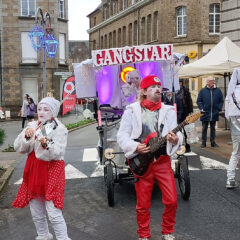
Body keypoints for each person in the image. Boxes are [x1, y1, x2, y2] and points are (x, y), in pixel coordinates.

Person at [117, 75, 183, 240]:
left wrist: (177, 139)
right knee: (143, 204)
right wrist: (134, 147)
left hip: (162, 162)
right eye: (153, 87)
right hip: (142, 161)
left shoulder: (168, 111)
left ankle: (167, 231)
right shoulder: (132, 110)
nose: (158, 89)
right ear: (144, 91)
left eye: (159, 86)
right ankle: (144, 234)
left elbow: (177, 131)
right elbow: (122, 136)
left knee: (172, 201)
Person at [12, 97, 71, 240]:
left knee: (53, 211)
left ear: (53, 111)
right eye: (39, 109)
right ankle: (43, 235)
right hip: (34, 170)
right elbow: (19, 147)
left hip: (52, 171)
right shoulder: (33, 125)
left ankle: (63, 238)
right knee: (36, 209)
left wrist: (47, 144)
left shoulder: (60, 128)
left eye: (46, 109)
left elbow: (58, 152)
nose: (42, 112)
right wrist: (26, 137)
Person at [197, 76, 223, 148]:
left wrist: (219, 108)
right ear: (207, 82)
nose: (212, 82)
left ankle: (213, 142)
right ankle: (203, 143)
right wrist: (202, 108)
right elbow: (199, 101)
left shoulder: (218, 90)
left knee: (213, 128)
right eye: (210, 81)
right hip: (205, 112)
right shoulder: (202, 91)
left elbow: (221, 100)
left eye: (213, 81)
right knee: (204, 128)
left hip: (214, 112)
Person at [225, 68, 240, 189]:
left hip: (235, 127)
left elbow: (227, 115)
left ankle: (230, 179)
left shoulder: (230, 95)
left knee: (235, 153)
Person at [176, 80, 193, 152]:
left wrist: (190, 111)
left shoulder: (185, 91)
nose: (179, 84)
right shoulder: (174, 92)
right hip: (177, 113)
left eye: (180, 83)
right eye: (178, 83)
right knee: (177, 131)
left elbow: (189, 101)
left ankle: (187, 146)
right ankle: (178, 147)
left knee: (186, 131)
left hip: (185, 113)